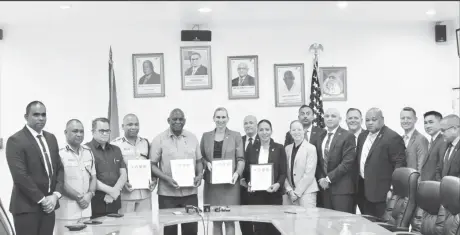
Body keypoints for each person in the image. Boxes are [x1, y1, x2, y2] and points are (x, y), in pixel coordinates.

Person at [5, 101, 64, 235]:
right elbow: (20, 176)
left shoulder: (51, 138)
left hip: (50, 207)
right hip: (26, 208)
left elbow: (59, 169)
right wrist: (43, 200)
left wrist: (55, 195)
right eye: (36, 115)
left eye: (43, 115)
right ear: (26, 117)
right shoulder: (16, 140)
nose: (41, 118)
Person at [150, 108, 203, 235]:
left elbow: (199, 161)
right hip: (167, 194)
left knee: (191, 230)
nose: (178, 122)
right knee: (169, 231)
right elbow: (152, 165)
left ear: (185, 121)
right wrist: (167, 178)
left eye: (180, 119)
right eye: (174, 119)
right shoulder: (159, 139)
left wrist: (200, 175)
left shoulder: (192, 137)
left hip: (190, 193)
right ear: (169, 120)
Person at [201, 107, 245, 235]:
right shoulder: (206, 136)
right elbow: (201, 157)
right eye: (218, 117)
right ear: (213, 119)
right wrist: (206, 163)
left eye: (223, 117)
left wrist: (237, 173)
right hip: (212, 185)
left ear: (228, 119)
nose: (220, 120)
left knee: (230, 220)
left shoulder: (236, 136)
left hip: (230, 184)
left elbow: (241, 159)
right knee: (216, 219)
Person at [356, 108, 406, 218]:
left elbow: (399, 165)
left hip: (382, 193)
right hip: (363, 191)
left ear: (382, 119)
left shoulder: (392, 137)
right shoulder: (362, 136)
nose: (370, 123)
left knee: (381, 226)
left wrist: (392, 189)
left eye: (374, 119)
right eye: (367, 120)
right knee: (367, 225)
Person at [244, 119, 286, 235]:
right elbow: (247, 172)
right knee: (259, 229)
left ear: (271, 131)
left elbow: (283, 172)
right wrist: (249, 183)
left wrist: (278, 184)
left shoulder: (279, 148)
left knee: (274, 228)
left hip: (274, 194)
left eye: (267, 129)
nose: (264, 132)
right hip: (256, 196)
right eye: (261, 130)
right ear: (257, 131)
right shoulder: (251, 149)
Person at [111, 114, 156, 213]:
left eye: (136, 124)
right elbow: (111, 169)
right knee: (126, 227)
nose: (133, 127)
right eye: (130, 124)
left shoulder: (146, 143)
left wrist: (154, 180)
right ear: (123, 127)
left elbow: (152, 165)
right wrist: (122, 184)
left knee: (145, 227)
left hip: (145, 194)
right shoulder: (114, 145)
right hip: (126, 195)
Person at [315, 108, 356, 213]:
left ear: (340, 119)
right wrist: (321, 178)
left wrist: (328, 179)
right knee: (326, 224)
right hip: (324, 190)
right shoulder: (320, 136)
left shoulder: (348, 136)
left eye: (333, 116)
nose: (329, 118)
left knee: (343, 225)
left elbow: (347, 163)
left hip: (341, 190)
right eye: (327, 116)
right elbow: (318, 161)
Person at [85, 118, 127, 218]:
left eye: (107, 130)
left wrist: (114, 192)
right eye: (101, 131)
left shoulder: (116, 149)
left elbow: (124, 174)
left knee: (115, 232)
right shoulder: (86, 150)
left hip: (114, 201)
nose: (105, 133)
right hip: (96, 202)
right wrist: (111, 191)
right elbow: (90, 177)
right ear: (93, 131)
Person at [55, 119, 96, 221]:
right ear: (65, 132)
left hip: (86, 210)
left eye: (81, 131)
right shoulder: (58, 153)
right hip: (67, 213)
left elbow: (94, 177)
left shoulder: (88, 152)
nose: (79, 134)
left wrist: (90, 194)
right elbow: (59, 182)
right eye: (75, 131)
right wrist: (79, 198)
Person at [283, 120, 318, 208]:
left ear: (304, 131)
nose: (296, 132)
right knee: (290, 221)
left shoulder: (311, 148)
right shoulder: (287, 149)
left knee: (307, 220)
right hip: (290, 193)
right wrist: (289, 190)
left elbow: (309, 174)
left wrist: (297, 193)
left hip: (307, 192)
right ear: (290, 132)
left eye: (299, 129)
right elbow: (283, 171)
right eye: (294, 130)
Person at [239, 115, 259, 235]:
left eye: (251, 123)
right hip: (241, 187)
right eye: (246, 123)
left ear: (256, 125)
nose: (248, 125)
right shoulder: (238, 140)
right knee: (244, 220)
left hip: (258, 188)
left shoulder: (263, 140)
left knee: (258, 221)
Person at [400, 107, 429, 172]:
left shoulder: (421, 139)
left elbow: (422, 167)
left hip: (413, 180)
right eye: (403, 118)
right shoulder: (400, 139)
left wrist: (417, 182)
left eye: (408, 118)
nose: (405, 121)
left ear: (415, 120)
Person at [421, 111, 448, 181]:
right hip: (427, 186)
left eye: (431, 122)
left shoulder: (443, 141)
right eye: (425, 123)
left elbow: (441, 168)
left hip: (435, 187)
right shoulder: (432, 141)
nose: (427, 126)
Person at [435, 114, 460, 180]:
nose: (441, 133)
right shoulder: (443, 145)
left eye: (443, 130)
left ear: (454, 129)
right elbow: (438, 169)